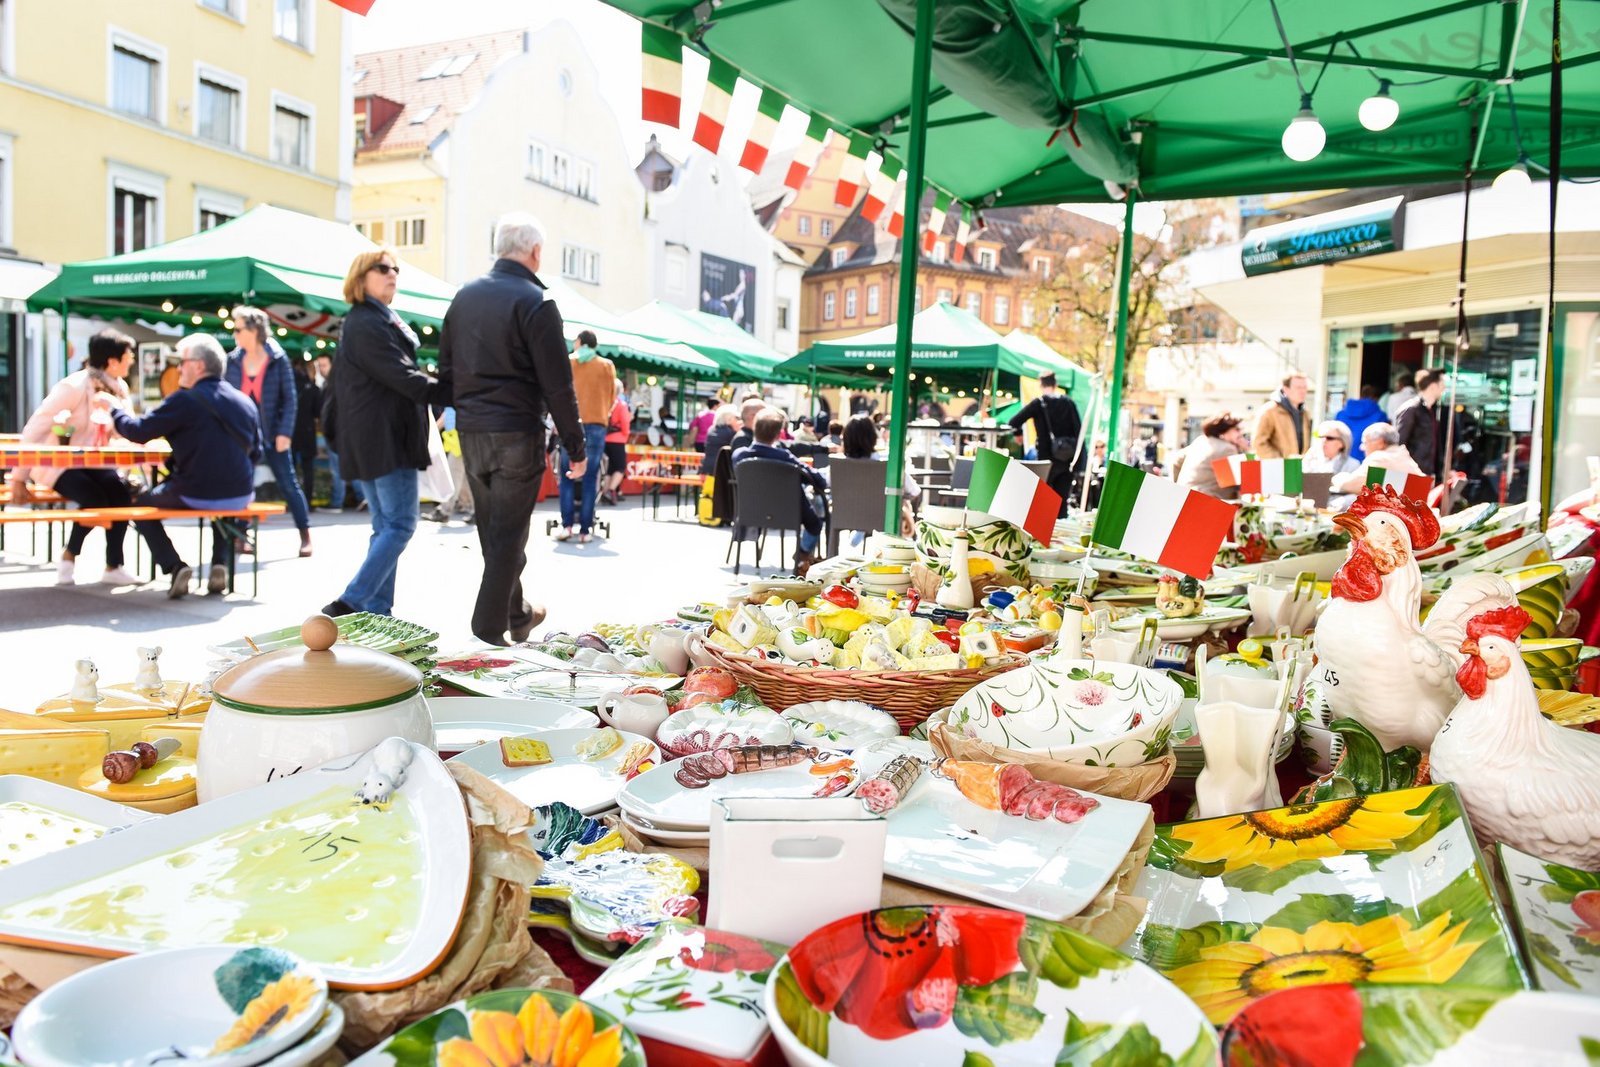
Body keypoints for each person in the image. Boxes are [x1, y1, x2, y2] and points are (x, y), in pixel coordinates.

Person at [436, 213, 583, 645]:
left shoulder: (463, 297)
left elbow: (446, 368)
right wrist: (576, 446)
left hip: (472, 430)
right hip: (516, 431)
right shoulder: (535, 302)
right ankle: (487, 628)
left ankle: (518, 613)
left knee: (494, 532)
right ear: (535, 252)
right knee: (508, 536)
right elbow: (558, 385)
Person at [322, 247, 451, 619]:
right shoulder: (366, 321)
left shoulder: (374, 319)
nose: (392, 273)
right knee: (399, 525)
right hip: (383, 436)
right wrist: (448, 391)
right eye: (382, 268)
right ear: (361, 277)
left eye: (396, 268)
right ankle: (352, 601)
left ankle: (379, 613)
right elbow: (398, 375)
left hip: (376, 436)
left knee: (385, 527)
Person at [97, 334, 262, 599]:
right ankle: (220, 563)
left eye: (181, 362)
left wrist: (115, 409)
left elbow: (138, 431)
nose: (178, 369)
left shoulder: (184, 400)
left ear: (198, 365)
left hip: (195, 491)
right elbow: (257, 452)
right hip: (240, 493)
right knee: (223, 498)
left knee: (140, 505)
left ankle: (174, 566)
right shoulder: (244, 401)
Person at [10, 328, 141, 586]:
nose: (132, 360)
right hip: (58, 464)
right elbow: (35, 429)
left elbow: (124, 430)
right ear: (113, 361)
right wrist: (19, 478)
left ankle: (114, 565)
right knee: (95, 498)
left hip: (96, 462)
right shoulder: (73, 386)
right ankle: (69, 556)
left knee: (120, 496)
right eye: (129, 356)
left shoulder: (120, 389)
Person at [226, 306, 312, 557]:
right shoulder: (233, 360)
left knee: (288, 484)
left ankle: (305, 535)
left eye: (238, 329)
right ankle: (241, 537)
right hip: (242, 437)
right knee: (242, 485)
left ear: (254, 330)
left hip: (274, 435)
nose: (235, 334)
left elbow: (290, 399)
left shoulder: (277, 358)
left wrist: (285, 432)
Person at [733, 408, 828, 572]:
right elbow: (819, 480)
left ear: (754, 429)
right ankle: (803, 554)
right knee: (815, 524)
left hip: (752, 511)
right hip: (789, 513)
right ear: (778, 435)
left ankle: (803, 556)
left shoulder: (739, 456)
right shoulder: (784, 457)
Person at [555, 330, 616, 543]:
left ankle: (567, 526)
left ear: (579, 342)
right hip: (597, 424)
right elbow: (611, 397)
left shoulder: (568, 363)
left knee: (567, 475)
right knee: (590, 477)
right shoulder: (606, 365)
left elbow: (559, 392)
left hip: (570, 423)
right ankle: (585, 531)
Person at [1007, 371, 1082, 516]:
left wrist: (1018, 435)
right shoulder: (1069, 403)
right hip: (1067, 460)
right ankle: (1059, 537)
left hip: (1045, 460)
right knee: (1062, 504)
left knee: (1043, 503)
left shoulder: (1039, 403)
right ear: (1056, 385)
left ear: (1041, 385)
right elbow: (1079, 432)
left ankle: (1043, 537)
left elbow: (1014, 422)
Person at [314, 354, 361, 511]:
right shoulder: (335, 383)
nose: (321, 369)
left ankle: (337, 502)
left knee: (338, 469)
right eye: (319, 365)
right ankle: (362, 498)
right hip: (342, 431)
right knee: (348, 468)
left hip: (338, 431)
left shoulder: (334, 384)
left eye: (324, 365)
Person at [1332, 422, 1423, 495]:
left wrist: (1337, 478)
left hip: (1386, 515)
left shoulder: (1379, 458)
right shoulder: (1405, 458)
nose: (1361, 447)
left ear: (1380, 443)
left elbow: (1352, 485)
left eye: (1365, 442)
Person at [1169, 413, 1245, 500]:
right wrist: (1246, 449)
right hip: (1207, 502)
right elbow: (1236, 483)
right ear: (1224, 431)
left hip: (1185, 497)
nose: (1240, 434)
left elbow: (1176, 462)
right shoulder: (1226, 449)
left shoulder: (1201, 441)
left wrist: (1179, 486)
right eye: (1237, 429)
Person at [1393, 367, 1446, 480]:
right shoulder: (1412, 409)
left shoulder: (1430, 410)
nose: (1444, 388)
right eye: (1442, 384)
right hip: (1411, 476)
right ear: (1433, 386)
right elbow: (1399, 444)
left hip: (1425, 475)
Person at [426, 406, 474, 523]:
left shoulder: (457, 392)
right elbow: (447, 414)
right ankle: (470, 506)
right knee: (464, 476)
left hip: (459, 435)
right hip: (458, 435)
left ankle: (445, 511)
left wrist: (433, 430)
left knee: (454, 473)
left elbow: (448, 414)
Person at [1249, 372, 1311, 460]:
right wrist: (1279, 461)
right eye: (1298, 387)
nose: (1303, 391)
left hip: (1297, 468)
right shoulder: (1269, 411)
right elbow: (1258, 443)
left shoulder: (1305, 413)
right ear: (1286, 389)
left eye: (1305, 387)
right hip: (1274, 468)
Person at [291, 357, 320, 505]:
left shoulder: (287, 387)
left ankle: (294, 502)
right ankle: (307, 501)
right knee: (308, 469)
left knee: (292, 470)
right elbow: (318, 413)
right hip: (308, 433)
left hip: (290, 433)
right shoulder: (313, 389)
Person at [1334, 384, 1386, 461]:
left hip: (1341, 461)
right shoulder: (1380, 416)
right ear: (1375, 399)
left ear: (1360, 395)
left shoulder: (1340, 414)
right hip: (1367, 463)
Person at [602, 380, 631, 506]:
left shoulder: (604, 403)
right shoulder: (621, 405)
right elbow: (625, 423)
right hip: (618, 439)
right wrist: (625, 434)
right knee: (620, 467)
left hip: (604, 438)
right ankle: (611, 490)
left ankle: (605, 492)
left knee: (609, 468)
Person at [700, 405, 741, 475]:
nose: (738, 420)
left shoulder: (711, 429)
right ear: (729, 419)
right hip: (720, 471)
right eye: (736, 418)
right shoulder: (730, 433)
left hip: (707, 469)